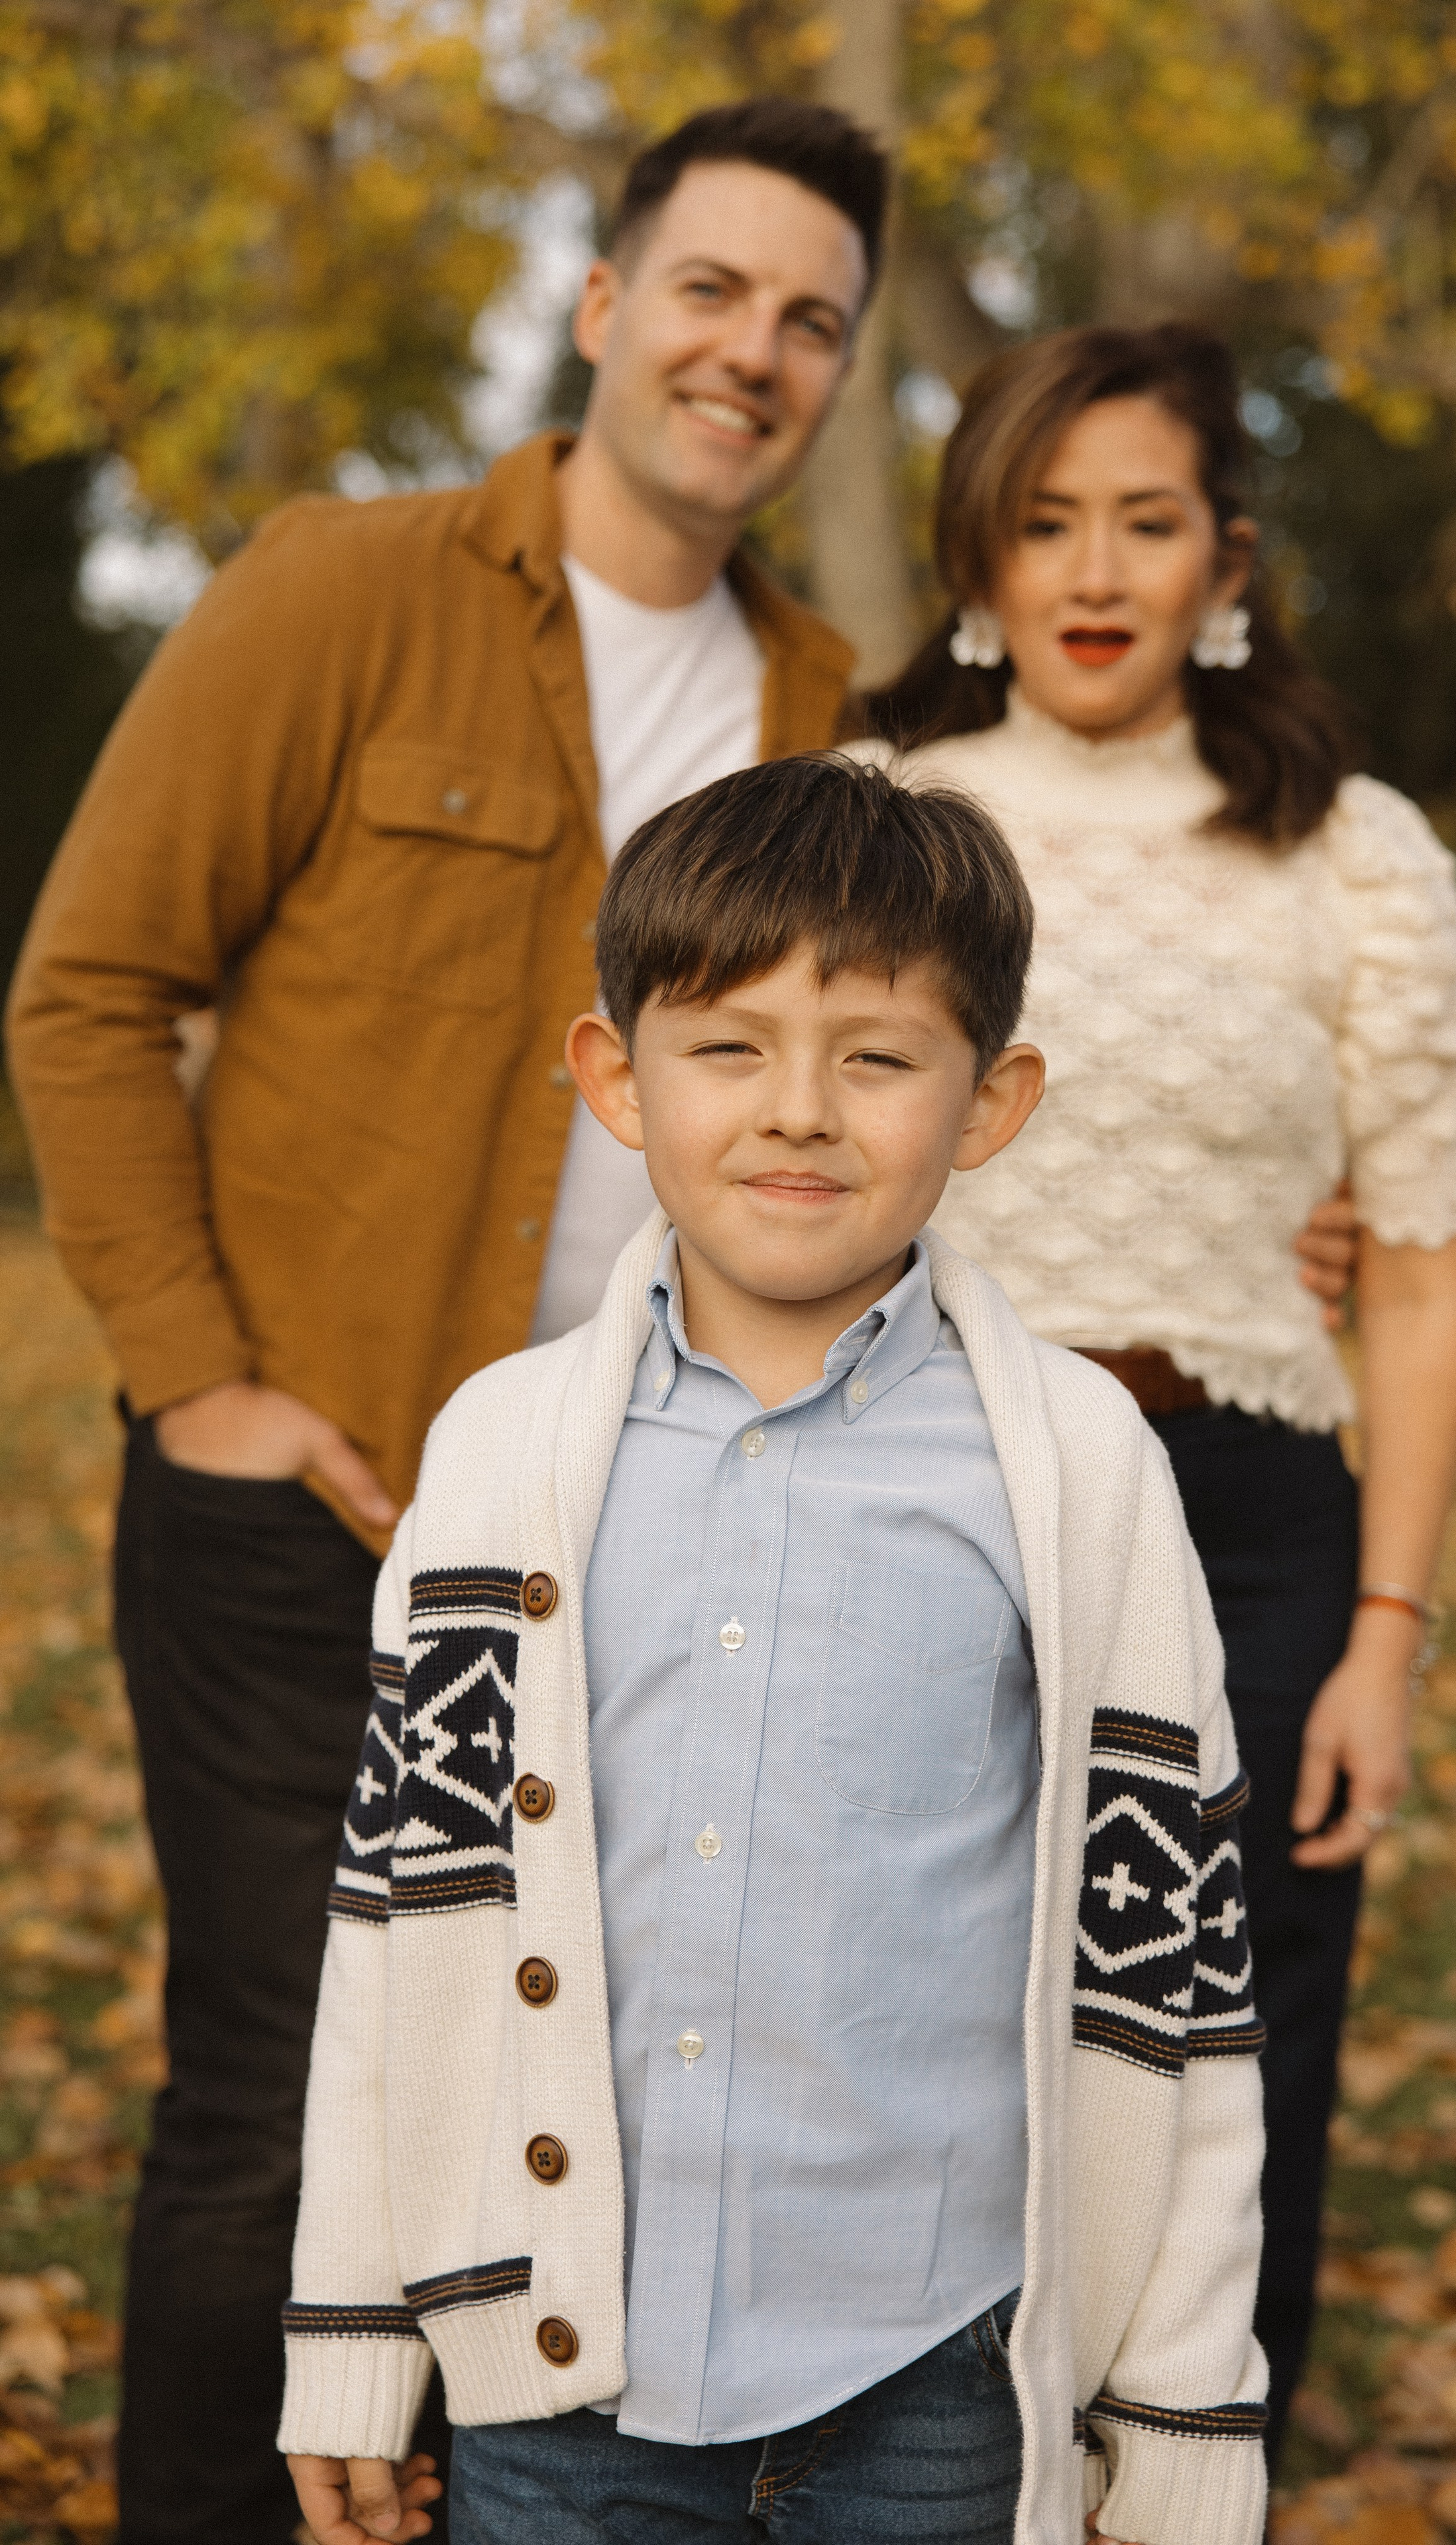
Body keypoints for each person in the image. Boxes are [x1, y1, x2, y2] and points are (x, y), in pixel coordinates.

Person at [4, 100, 887, 2544]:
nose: (756, 351)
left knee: (562, 2108)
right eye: (712, 289)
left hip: (649, 1536)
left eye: (813, 319)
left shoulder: (825, 692)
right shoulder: (342, 589)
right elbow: (88, 988)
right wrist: (199, 1383)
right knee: (283, 2099)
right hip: (317, 1506)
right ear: (604, 306)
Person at [279, 752, 1270, 2545]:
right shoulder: (498, 1459)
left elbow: (1174, 1972)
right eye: (728, 1046)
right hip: (564, 2394)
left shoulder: (1078, 1472)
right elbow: (404, 1922)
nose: (799, 1110)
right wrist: (354, 2329)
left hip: (941, 2384)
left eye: (879, 1057)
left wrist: (1183, 2419)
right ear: (614, 1078)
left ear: (992, 1101)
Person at [854, 322, 1456, 2470]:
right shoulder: (879, 820)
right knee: (906, 2036)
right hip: (921, 1483)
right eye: (1045, 525)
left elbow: (1415, 1266)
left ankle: (1184, 2488)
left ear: (1229, 555)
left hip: (1250, 1523)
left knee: (1222, 2058)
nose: (1095, 569)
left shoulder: (1355, 855)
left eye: (1146, 519)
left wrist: (1385, 1635)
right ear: (982, 557)